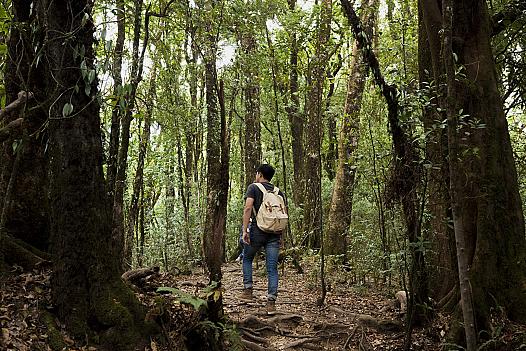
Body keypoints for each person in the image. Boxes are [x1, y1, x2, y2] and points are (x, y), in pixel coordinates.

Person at [241, 164, 287, 315]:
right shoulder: (278, 191)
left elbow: (248, 208)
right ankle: (271, 303)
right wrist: (281, 236)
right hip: (274, 233)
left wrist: (245, 230)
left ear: (260, 174)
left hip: (257, 231)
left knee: (247, 258)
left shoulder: (253, 188)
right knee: (272, 268)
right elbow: (282, 214)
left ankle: (248, 290)